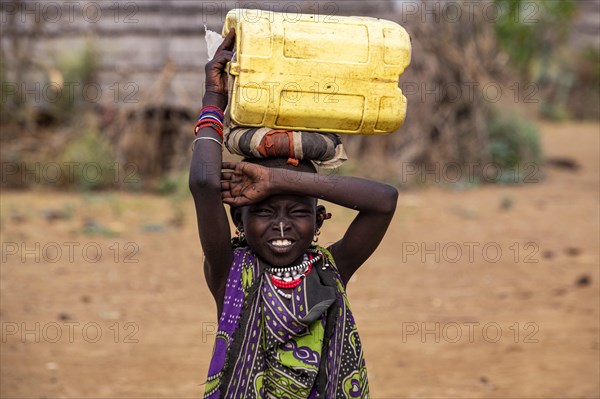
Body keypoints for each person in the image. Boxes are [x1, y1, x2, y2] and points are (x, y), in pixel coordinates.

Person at [189, 29, 398, 398]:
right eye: (265, 212)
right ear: (238, 220)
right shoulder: (228, 271)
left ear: (319, 222)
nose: (281, 225)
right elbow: (204, 184)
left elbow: (385, 201)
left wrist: (276, 179)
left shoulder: (330, 270)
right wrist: (213, 98)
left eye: (298, 213)